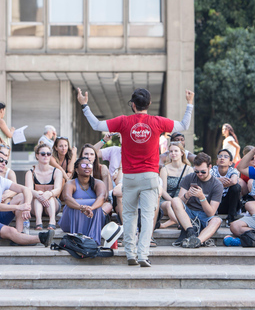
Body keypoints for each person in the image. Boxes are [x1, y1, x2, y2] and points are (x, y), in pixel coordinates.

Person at [77, 86, 194, 267]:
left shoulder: (124, 121)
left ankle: (130, 253)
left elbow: (96, 125)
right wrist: (189, 104)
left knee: (130, 215)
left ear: (133, 105)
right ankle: (142, 255)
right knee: (147, 216)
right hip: (150, 176)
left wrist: (84, 106)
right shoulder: (157, 122)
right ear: (149, 104)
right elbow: (184, 125)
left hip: (129, 176)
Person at [0, 150, 54, 246]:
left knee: (21, 196)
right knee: (10, 230)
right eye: (1, 160)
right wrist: (19, 207)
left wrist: (27, 206)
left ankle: (19, 234)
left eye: (6, 161)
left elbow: (25, 189)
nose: (4, 163)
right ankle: (41, 238)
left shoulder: (0, 180)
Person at [171, 152, 223, 248]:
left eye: (203, 171)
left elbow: (211, 213)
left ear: (210, 167)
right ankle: (191, 232)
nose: (199, 174)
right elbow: (179, 202)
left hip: (205, 216)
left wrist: (202, 198)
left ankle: (197, 241)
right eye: (197, 171)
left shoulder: (217, 185)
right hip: (189, 215)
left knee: (217, 220)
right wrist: (187, 195)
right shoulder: (189, 178)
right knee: (175, 200)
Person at [59, 157, 107, 245]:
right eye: (84, 165)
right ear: (76, 170)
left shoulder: (98, 183)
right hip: (69, 221)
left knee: (97, 205)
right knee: (73, 204)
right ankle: (77, 239)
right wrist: (81, 207)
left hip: (93, 218)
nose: (87, 167)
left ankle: (93, 240)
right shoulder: (70, 183)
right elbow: (67, 198)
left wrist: (91, 208)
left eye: (89, 165)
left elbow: (102, 197)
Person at [25, 143, 63, 230]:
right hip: (35, 205)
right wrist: (39, 195)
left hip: (53, 204)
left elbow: (58, 189)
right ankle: (38, 221)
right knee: (38, 194)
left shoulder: (57, 172)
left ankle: (52, 220)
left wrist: (48, 194)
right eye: (43, 154)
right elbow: (28, 190)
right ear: (37, 156)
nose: (46, 156)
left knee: (49, 196)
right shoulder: (30, 172)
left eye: (48, 154)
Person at [159, 142, 194, 229]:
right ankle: (177, 221)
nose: (173, 153)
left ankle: (169, 223)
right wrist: (172, 201)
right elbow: (163, 190)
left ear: (182, 153)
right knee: (168, 204)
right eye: (171, 151)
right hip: (167, 200)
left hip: (183, 200)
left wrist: (178, 202)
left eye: (176, 151)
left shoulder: (189, 169)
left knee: (177, 205)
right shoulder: (165, 169)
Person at [210, 149, 242, 224]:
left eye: (225, 157)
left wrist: (216, 182)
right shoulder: (212, 170)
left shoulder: (233, 170)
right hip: (216, 203)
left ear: (230, 163)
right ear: (217, 161)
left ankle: (231, 218)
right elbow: (207, 180)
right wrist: (219, 180)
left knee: (236, 187)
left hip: (230, 203)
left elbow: (234, 181)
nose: (222, 158)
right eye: (220, 156)